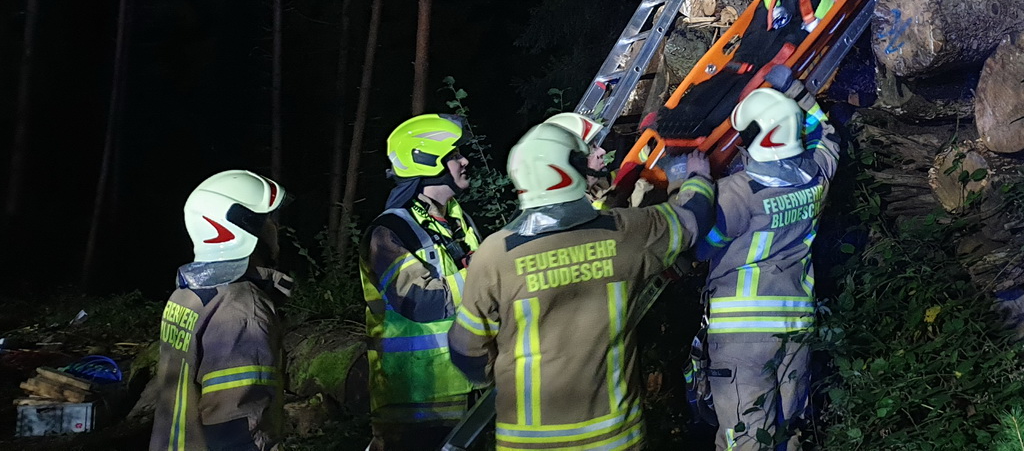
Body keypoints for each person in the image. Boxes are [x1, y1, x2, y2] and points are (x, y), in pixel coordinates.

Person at [447, 122, 716, 451]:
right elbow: (692, 219)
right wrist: (697, 177)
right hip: (614, 438)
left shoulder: (494, 254)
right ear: (569, 172)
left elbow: (467, 352)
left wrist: (500, 373)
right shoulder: (626, 232)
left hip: (528, 442)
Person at [697, 86, 840, 451]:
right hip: (797, 325)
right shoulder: (816, 178)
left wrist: (691, 182)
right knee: (788, 433)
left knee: (745, 439)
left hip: (741, 334)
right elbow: (828, 137)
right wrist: (798, 91)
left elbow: (698, 246)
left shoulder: (735, 194)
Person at [360, 114, 483, 450]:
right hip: (415, 403)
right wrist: (487, 271)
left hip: (469, 391)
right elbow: (421, 302)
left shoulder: (459, 221)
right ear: (428, 161)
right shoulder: (389, 232)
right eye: (454, 155)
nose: (464, 161)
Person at [151, 170, 291, 451]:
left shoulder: (188, 295)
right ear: (243, 228)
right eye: (266, 220)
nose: (275, 228)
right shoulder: (243, 310)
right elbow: (237, 426)